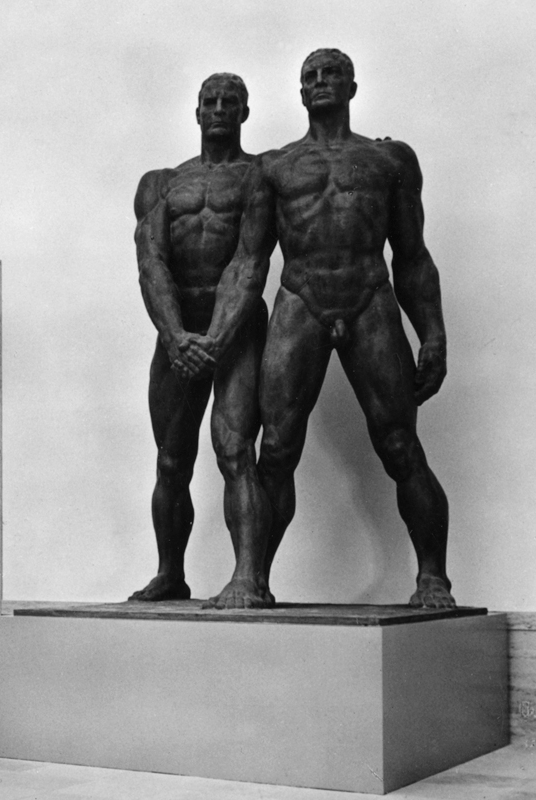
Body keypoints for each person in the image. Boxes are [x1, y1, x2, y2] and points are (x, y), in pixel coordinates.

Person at [184, 48, 455, 610]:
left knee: (400, 444)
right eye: (311, 76)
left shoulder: (389, 160)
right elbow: (249, 262)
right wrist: (218, 334)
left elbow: (412, 256)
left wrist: (432, 332)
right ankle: (249, 578)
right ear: (301, 92)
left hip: (368, 295)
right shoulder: (275, 167)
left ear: (352, 87)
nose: (321, 81)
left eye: (333, 74)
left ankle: (433, 579)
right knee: (276, 449)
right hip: (300, 299)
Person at [129, 73, 269, 602]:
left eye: (229, 102)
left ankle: (247, 577)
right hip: (178, 329)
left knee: (235, 451)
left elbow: (250, 261)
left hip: (236, 328)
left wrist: (217, 336)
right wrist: (175, 336)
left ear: (244, 112)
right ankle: (170, 573)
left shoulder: (260, 175)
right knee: (170, 460)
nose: (218, 109)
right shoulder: (161, 183)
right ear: (196, 112)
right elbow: (151, 263)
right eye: (209, 102)